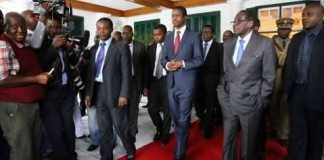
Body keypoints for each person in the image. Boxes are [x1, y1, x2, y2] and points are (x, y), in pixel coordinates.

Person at [220, 10, 276, 160]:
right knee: (227, 144)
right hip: (229, 102)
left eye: (239, 20)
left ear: (251, 23)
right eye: (234, 21)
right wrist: (223, 96)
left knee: (248, 148)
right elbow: (224, 73)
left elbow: (269, 76)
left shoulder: (265, 43)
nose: (235, 24)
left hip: (251, 104)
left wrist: (260, 101)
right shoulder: (228, 44)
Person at [0, 12, 49, 160]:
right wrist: (36, 78)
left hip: (29, 105)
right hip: (15, 107)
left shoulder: (23, 43)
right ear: (6, 27)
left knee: (34, 148)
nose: (20, 30)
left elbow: (38, 39)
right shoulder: (3, 43)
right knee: (22, 151)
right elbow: (2, 79)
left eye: (23, 26)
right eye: (15, 27)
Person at [85, 17, 135, 160]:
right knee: (104, 128)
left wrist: (124, 94)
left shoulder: (121, 46)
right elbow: (90, 74)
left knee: (120, 126)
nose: (101, 31)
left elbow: (126, 73)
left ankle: (130, 147)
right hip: (98, 91)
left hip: (115, 92)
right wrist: (88, 94)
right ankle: (106, 156)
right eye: (99, 28)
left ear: (111, 29)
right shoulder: (94, 48)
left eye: (105, 28)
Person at [161, 6, 203, 160]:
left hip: (186, 85)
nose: (174, 18)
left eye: (177, 16)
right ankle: (182, 141)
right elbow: (162, 58)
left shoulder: (194, 36)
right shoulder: (168, 36)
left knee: (183, 118)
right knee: (175, 118)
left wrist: (182, 63)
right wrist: (166, 65)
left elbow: (199, 59)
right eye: (172, 16)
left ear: (185, 17)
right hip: (171, 84)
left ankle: (180, 153)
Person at [284, 3, 324, 160]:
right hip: (296, 94)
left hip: (318, 95)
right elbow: (288, 65)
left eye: (309, 14)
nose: (304, 17)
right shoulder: (296, 38)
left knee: (316, 138)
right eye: (303, 14)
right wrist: (287, 91)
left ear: (321, 16)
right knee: (297, 135)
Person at [38, 16, 77, 160]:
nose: (54, 29)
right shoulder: (41, 44)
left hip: (67, 92)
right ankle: (61, 155)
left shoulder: (64, 42)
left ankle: (71, 155)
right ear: (46, 28)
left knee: (68, 125)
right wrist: (53, 47)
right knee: (54, 128)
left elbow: (73, 61)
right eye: (51, 27)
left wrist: (71, 49)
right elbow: (40, 64)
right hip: (50, 93)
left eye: (57, 27)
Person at [144, 24, 171, 144]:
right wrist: (145, 86)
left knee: (167, 110)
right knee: (151, 109)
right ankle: (159, 128)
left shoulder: (172, 47)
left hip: (168, 81)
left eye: (159, 34)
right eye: (154, 35)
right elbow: (147, 68)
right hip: (154, 81)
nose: (156, 37)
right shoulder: (150, 48)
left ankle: (165, 134)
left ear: (165, 34)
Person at [195, 24, 223, 138]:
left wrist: (221, 81)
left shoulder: (219, 47)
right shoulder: (197, 46)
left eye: (207, 32)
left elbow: (222, 66)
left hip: (212, 81)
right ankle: (202, 118)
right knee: (198, 104)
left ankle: (208, 128)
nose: (205, 34)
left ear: (213, 34)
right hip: (197, 81)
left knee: (210, 105)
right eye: (203, 32)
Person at [270, 18, 294, 145]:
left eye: (287, 29)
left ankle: (283, 133)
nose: (284, 32)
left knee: (285, 105)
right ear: (278, 29)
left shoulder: (294, 42)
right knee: (273, 103)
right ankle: (274, 127)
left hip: (289, 76)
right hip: (274, 76)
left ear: (290, 30)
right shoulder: (270, 42)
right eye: (282, 29)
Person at [122, 25, 146, 144]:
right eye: (123, 33)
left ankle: (132, 130)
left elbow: (146, 67)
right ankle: (125, 128)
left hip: (135, 82)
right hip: (121, 84)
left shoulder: (140, 47)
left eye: (127, 33)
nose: (125, 35)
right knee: (123, 108)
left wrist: (144, 85)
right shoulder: (118, 46)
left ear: (132, 33)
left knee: (133, 108)